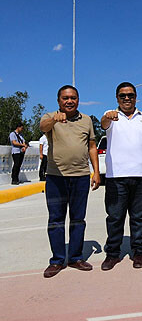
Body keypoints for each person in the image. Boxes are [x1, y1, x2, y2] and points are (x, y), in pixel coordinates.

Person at [39, 85, 100, 278]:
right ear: (58, 101)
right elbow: (43, 127)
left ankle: (75, 257)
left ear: (78, 100)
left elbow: (92, 147)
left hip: (81, 176)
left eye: (73, 98)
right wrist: (53, 120)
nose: (69, 101)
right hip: (56, 177)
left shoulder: (87, 120)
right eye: (65, 98)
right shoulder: (49, 117)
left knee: (78, 219)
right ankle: (57, 260)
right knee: (56, 219)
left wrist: (96, 172)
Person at [100, 82, 142, 271]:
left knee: (138, 217)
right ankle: (112, 254)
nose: (127, 98)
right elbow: (103, 124)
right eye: (123, 95)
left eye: (130, 95)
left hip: (141, 177)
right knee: (115, 217)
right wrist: (108, 116)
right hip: (116, 177)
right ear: (117, 98)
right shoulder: (111, 116)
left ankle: (138, 251)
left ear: (136, 97)